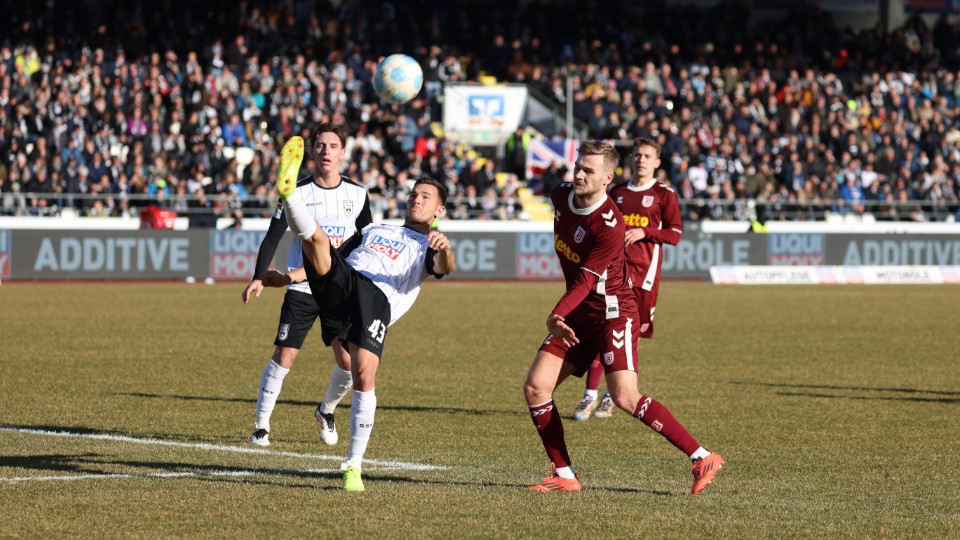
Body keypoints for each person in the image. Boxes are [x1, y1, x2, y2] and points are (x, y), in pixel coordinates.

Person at [523, 140, 723, 493]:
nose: (580, 174)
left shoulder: (609, 226)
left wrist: (556, 314)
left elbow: (586, 280)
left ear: (607, 179)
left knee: (625, 397)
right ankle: (564, 474)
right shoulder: (560, 196)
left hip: (613, 314)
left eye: (589, 170)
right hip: (579, 315)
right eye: (578, 167)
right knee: (537, 387)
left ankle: (701, 456)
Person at [263, 135, 455, 491]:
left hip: (376, 300)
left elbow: (443, 267)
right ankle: (289, 193)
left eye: (426, 197)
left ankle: (353, 466)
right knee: (319, 241)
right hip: (347, 280)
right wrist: (286, 279)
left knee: (363, 376)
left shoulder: (427, 244)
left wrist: (445, 248)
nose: (416, 199)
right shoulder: (375, 228)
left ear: (438, 211)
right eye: (414, 194)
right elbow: (336, 257)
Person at [241, 123, 372, 448]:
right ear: (311, 151)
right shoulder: (294, 190)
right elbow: (273, 235)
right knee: (285, 355)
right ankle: (261, 426)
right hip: (302, 288)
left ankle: (326, 410)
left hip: (341, 289)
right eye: (320, 145)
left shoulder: (357, 194)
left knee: (348, 363)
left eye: (332, 145)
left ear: (343, 152)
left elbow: (366, 240)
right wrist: (259, 276)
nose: (326, 151)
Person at [574, 137, 683, 421]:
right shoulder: (617, 191)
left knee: (625, 338)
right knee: (603, 331)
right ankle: (590, 395)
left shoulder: (664, 194)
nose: (641, 160)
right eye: (637, 155)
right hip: (613, 273)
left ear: (657, 162)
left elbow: (675, 234)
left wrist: (646, 232)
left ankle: (611, 395)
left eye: (647, 156)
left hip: (645, 278)